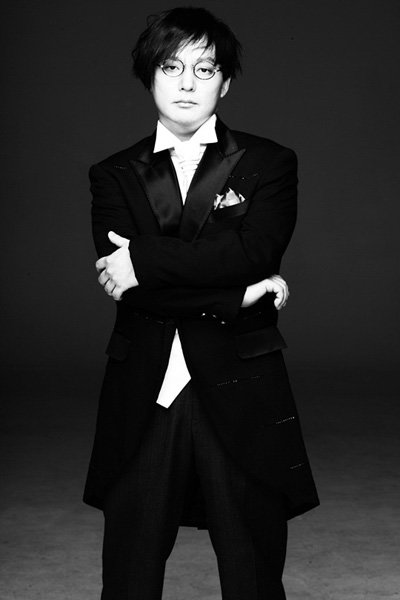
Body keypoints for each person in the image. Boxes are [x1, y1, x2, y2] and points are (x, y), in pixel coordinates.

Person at [84, 7, 319, 599]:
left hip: (241, 381)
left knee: (252, 572)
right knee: (129, 575)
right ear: (150, 77)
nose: (187, 83)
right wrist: (240, 291)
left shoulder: (269, 162)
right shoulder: (113, 173)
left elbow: (255, 250)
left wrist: (146, 258)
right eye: (171, 67)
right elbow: (128, 281)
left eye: (205, 69)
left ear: (225, 82)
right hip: (146, 386)